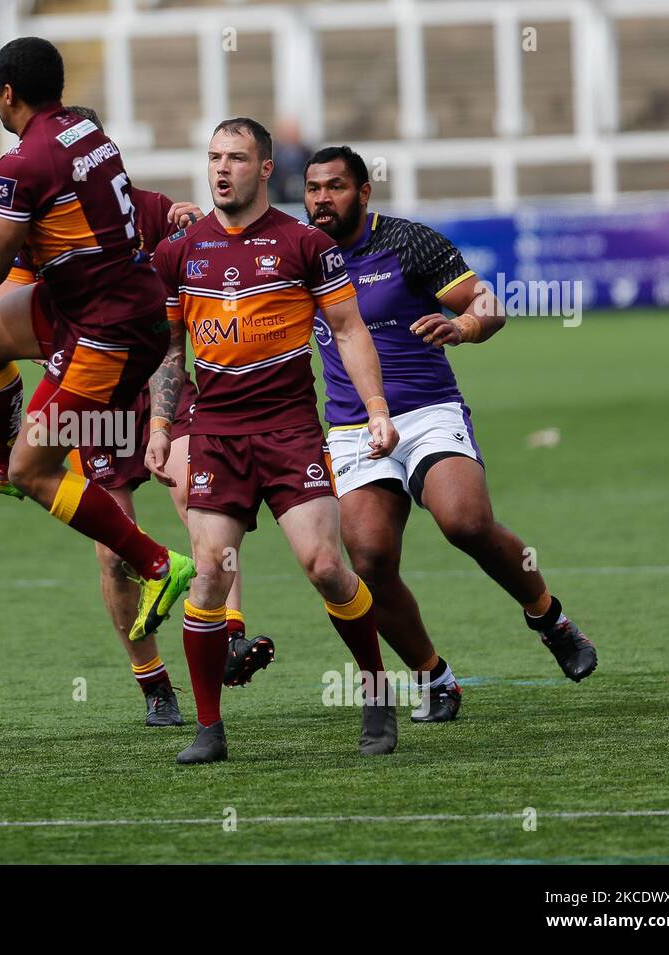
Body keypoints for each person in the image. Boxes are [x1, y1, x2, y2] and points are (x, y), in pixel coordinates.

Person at [0, 106, 272, 726]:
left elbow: (192, 237)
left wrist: (190, 225)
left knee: (201, 500)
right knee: (110, 548)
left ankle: (228, 632)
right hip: (95, 396)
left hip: (158, 383)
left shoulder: (136, 208)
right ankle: (153, 684)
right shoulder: (32, 232)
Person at [303, 145, 597, 715]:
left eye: (335, 187)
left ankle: (550, 618)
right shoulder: (300, 252)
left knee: (465, 522)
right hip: (352, 424)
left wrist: (462, 325)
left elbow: (487, 302)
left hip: (428, 410)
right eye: (314, 188)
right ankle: (433, 677)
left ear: (363, 193)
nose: (321, 199)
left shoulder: (408, 241)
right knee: (369, 561)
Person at [0, 38, 195, 645]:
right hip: (93, 303)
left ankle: (159, 564)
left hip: (109, 332)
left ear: (6, 93)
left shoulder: (22, 163)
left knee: (35, 469)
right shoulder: (86, 132)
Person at [147, 118, 401, 764]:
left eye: (236, 157)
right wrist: (157, 426)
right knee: (208, 572)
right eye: (213, 157)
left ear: (265, 169)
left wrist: (376, 408)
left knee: (323, 564)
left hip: (290, 431)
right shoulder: (180, 252)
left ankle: (375, 689)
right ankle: (210, 726)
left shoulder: (304, 244)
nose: (221, 168)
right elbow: (168, 350)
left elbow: (348, 330)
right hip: (217, 434)